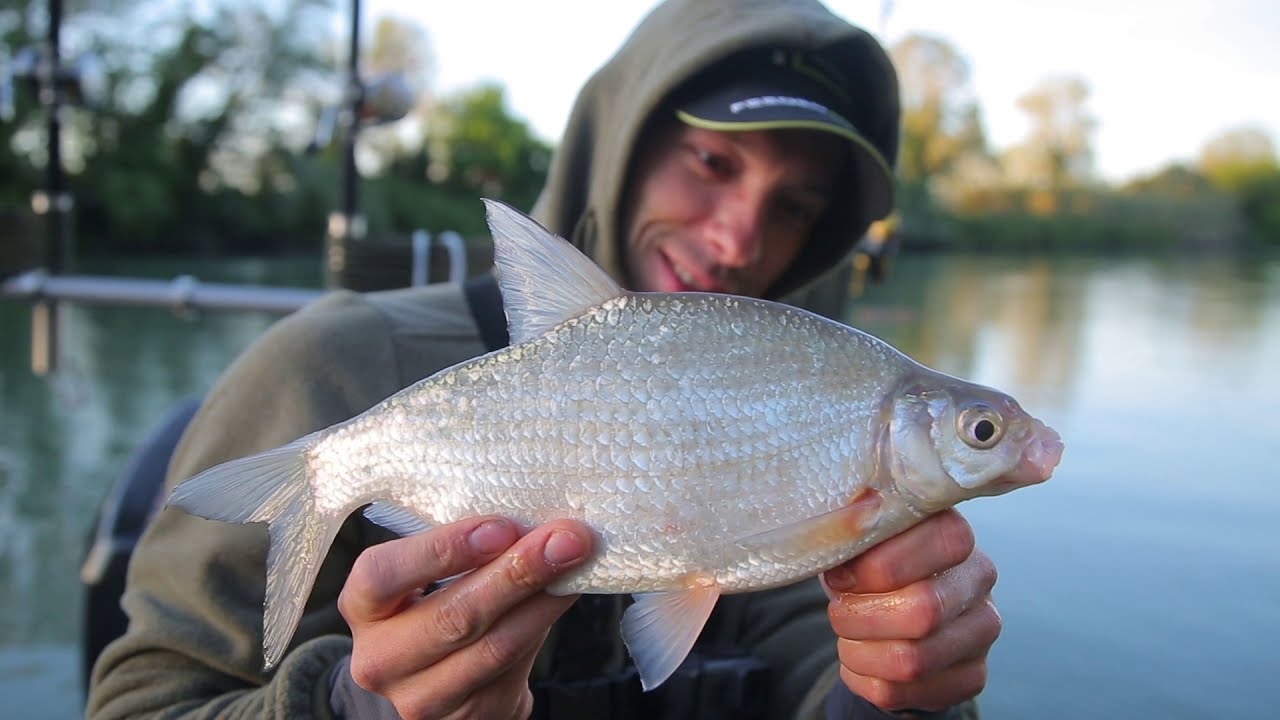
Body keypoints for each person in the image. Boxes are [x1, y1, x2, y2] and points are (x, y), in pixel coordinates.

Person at [86, 0, 1001, 718]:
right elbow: (140, 703)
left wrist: (902, 695)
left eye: (796, 207)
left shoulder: (804, 418)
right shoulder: (328, 365)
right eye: (711, 164)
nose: (738, 237)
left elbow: (817, 668)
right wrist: (348, 705)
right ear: (621, 144)